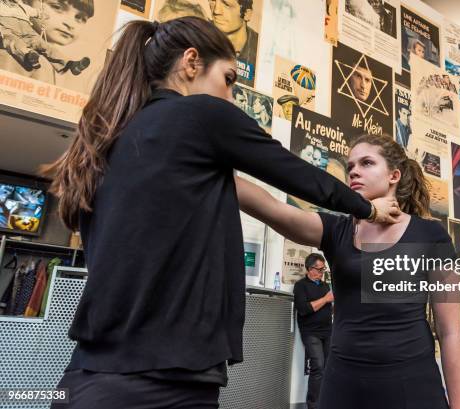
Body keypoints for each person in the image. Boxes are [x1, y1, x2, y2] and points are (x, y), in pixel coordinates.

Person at [44, 17, 401, 408]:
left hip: (83, 378)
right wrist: (368, 207)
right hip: (161, 381)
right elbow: (294, 173)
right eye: (229, 80)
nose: (230, 98)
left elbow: (257, 199)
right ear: (191, 62)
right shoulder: (199, 115)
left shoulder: (114, 140)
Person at [235, 133, 460, 408]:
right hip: (343, 381)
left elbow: (451, 333)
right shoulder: (337, 229)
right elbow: (270, 207)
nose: (354, 171)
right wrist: (204, 160)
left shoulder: (431, 235)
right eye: (350, 167)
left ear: (394, 175)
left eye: (367, 163)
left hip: (411, 382)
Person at [0, 0, 94, 86]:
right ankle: (27, 55)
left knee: (46, 47)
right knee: (15, 44)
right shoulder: (8, 57)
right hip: (11, 34)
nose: (70, 24)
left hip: (27, 33)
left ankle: (70, 65)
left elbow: (35, 12)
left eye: (80, 18)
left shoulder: (21, 8)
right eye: (57, 7)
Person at [293, 253, 334, 409]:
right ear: (310, 269)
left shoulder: (324, 286)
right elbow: (303, 309)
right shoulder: (300, 286)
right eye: (319, 269)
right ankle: (313, 405)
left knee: (329, 367)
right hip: (311, 333)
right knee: (318, 366)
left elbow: (327, 308)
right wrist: (326, 299)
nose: (321, 273)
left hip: (327, 331)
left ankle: (326, 402)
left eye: (323, 269)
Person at [208, 0, 257, 86]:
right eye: (212, 0)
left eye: (226, 5)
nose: (216, 11)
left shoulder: (261, 51)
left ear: (246, 14)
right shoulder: (198, 34)